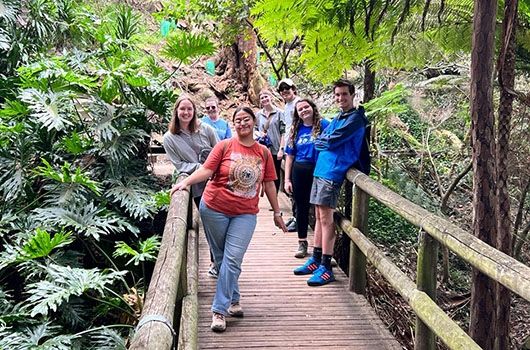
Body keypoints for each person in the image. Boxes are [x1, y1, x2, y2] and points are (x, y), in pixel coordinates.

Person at [172, 106, 288, 332]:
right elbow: (206, 170)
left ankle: (219, 310)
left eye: (246, 119)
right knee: (222, 257)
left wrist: (276, 212)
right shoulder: (224, 146)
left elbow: (269, 183)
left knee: (232, 258)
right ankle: (234, 300)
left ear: (254, 122)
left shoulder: (263, 152)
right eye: (238, 120)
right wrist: (185, 183)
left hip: (245, 213)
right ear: (233, 124)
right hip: (214, 208)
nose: (242, 123)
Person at [293, 79, 370, 286]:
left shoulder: (355, 119)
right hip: (322, 170)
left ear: (352, 95)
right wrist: (324, 141)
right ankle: (316, 259)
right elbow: (324, 138)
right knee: (318, 217)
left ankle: (326, 266)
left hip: (333, 171)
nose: (340, 98)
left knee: (327, 220)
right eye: (337, 95)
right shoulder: (340, 117)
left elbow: (330, 139)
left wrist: (324, 141)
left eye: (344, 94)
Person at [163, 95, 220, 277]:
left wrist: (212, 169)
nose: (186, 112)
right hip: (197, 187)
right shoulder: (170, 138)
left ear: (194, 111)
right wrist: (202, 169)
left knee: (222, 222)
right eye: (182, 109)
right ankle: (216, 262)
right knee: (211, 224)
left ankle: (222, 261)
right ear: (176, 112)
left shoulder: (206, 130)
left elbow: (221, 151)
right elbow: (179, 165)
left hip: (218, 183)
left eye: (189, 109)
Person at [284, 99, 330, 258]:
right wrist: (287, 180)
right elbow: (289, 156)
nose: (304, 110)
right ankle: (302, 242)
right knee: (301, 207)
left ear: (312, 107)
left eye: (306, 107)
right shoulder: (296, 129)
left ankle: (324, 251)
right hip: (300, 170)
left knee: (320, 209)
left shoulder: (324, 125)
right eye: (300, 109)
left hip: (319, 170)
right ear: (297, 113)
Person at [276, 78, 300, 232]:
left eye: (287, 88)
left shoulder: (299, 103)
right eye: (282, 90)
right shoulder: (286, 106)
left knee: (296, 184)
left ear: (293, 89)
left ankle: (299, 218)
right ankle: (295, 216)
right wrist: (282, 148)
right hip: (290, 148)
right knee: (291, 184)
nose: (285, 91)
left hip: (299, 148)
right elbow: (286, 129)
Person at [256, 89, 284, 192]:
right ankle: (261, 193)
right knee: (262, 172)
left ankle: (275, 196)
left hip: (276, 149)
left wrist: (281, 149)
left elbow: (283, 132)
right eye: (262, 98)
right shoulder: (258, 115)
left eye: (266, 97)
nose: (264, 99)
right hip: (263, 149)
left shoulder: (280, 113)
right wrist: (260, 134)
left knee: (275, 173)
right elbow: (254, 128)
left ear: (271, 97)